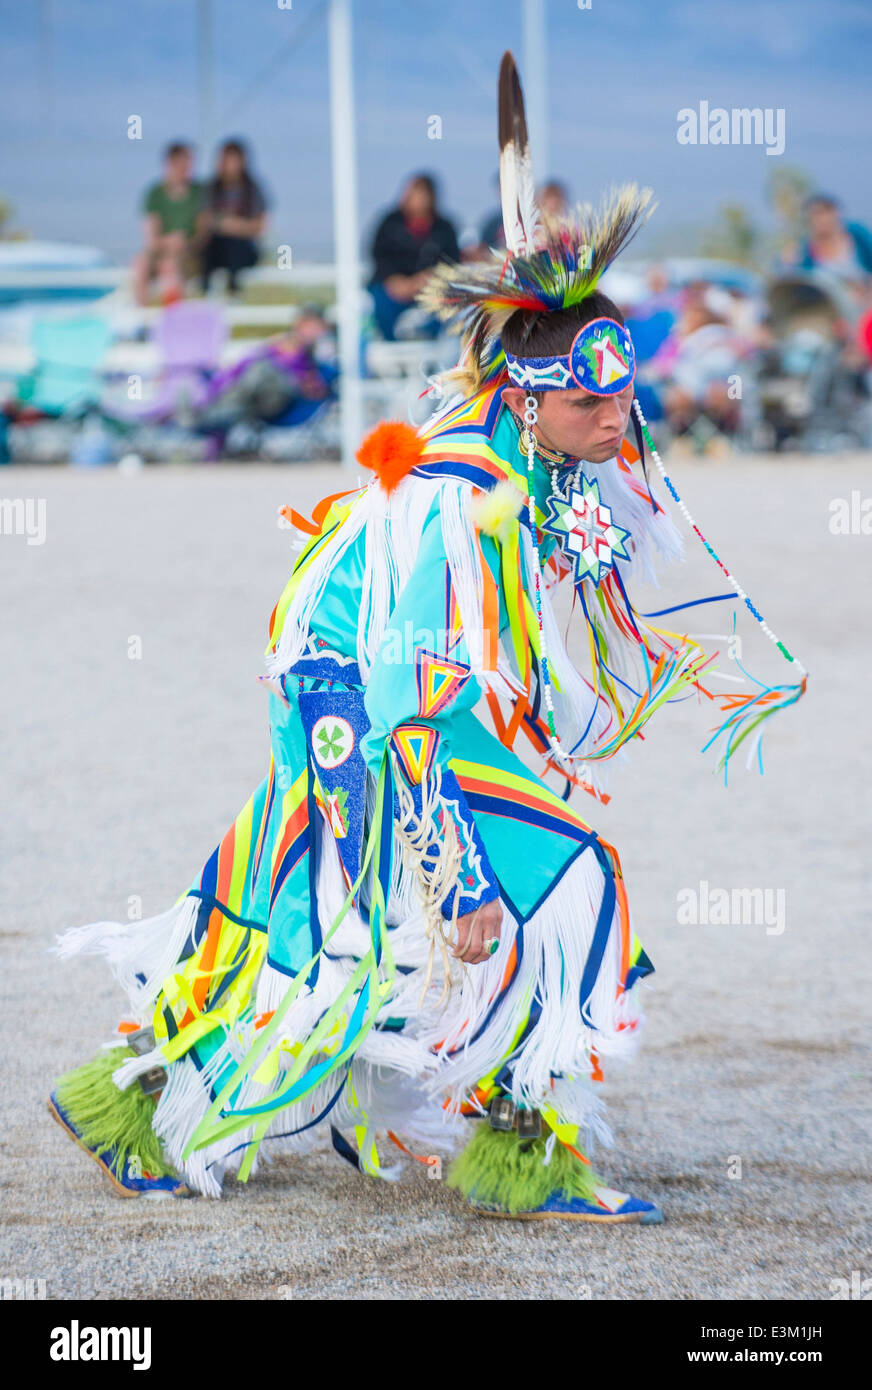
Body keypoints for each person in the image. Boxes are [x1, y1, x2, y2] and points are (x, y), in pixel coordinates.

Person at [48, 54, 807, 1222]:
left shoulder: (529, 460)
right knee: (362, 916)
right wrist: (450, 865)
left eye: (624, 395)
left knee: (491, 898)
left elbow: (590, 577)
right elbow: (404, 680)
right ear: (524, 398)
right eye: (593, 400)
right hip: (355, 693)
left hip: (414, 692)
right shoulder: (459, 493)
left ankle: (444, 1126)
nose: (622, 416)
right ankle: (176, 1103)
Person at [369, 173, 459, 340]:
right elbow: (378, 255)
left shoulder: (444, 227)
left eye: (424, 195)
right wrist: (395, 281)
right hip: (392, 286)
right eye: (416, 194)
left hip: (430, 287)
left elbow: (452, 261)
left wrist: (427, 279)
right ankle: (390, 345)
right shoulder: (389, 222)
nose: (420, 200)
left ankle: (431, 344)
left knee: (444, 305)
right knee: (382, 305)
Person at [132, 142, 203, 307]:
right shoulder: (155, 193)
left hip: (189, 255)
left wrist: (184, 244)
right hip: (161, 252)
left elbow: (203, 232)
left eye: (188, 164)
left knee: (169, 267)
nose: (185, 169)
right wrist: (169, 242)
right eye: (180, 164)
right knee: (140, 264)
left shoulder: (199, 193)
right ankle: (143, 318)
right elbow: (151, 238)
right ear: (169, 164)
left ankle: (172, 320)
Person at [200, 139, 268, 294]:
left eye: (234, 161)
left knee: (234, 246)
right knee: (212, 248)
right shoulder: (211, 188)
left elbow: (259, 227)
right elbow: (204, 221)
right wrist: (238, 225)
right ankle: (206, 291)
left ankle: (233, 292)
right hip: (215, 251)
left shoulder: (253, 189)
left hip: (244, 251)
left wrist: (227, 224)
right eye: (227, 160)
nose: (230, 166)